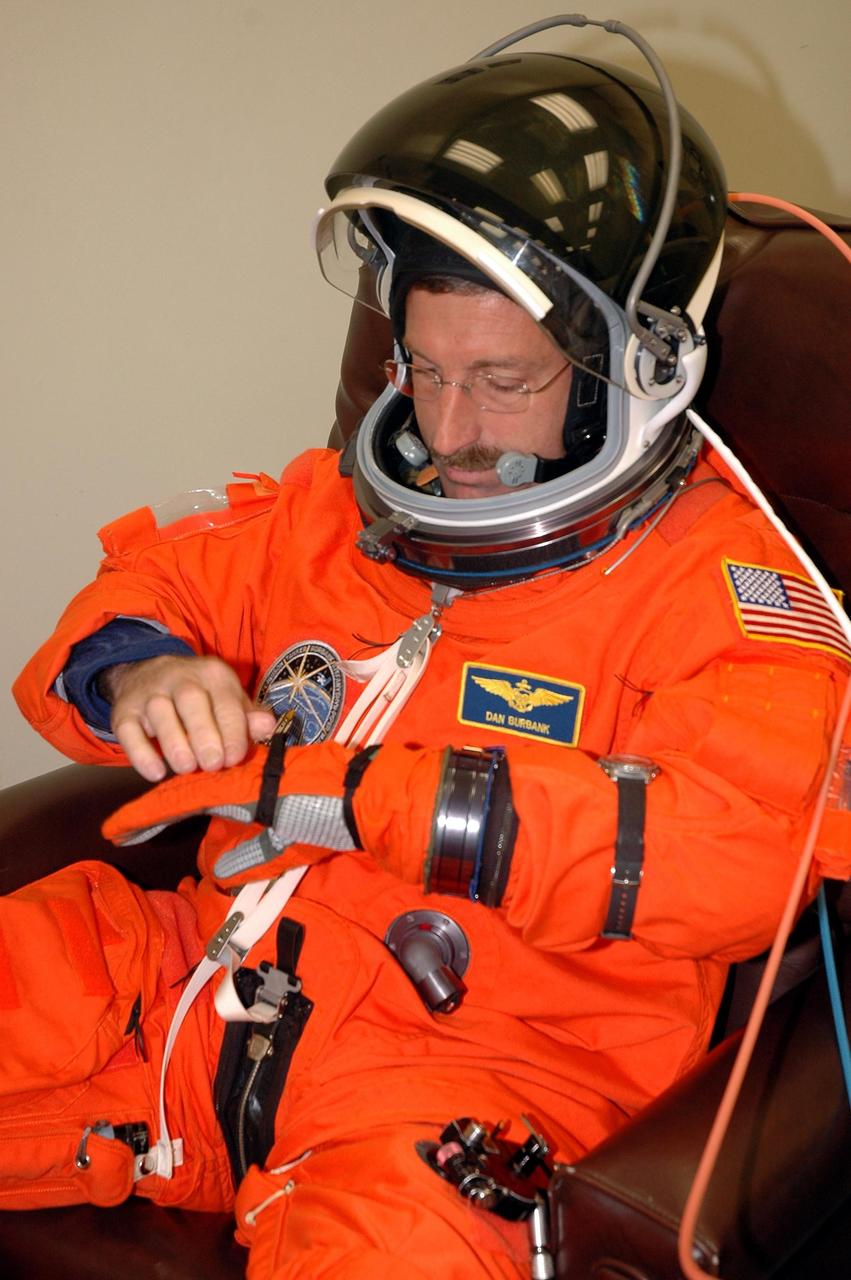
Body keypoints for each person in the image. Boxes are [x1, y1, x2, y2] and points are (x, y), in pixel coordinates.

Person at [6, 34, 850, 1280]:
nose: (447, 432)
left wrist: (371, 797)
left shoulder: (725, 587)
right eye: (424, 367)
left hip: (459, 1082)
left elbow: (734, 848)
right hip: (192, 992)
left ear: (635, 368)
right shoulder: (331, 508)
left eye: (501, 381)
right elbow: (145, 583)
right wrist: (139, 668)